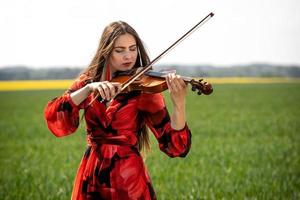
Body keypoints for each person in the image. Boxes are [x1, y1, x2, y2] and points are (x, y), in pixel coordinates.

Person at [44, 21, 191, 200]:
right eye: (119, 50)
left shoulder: (143, 89)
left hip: (128, 179)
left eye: (132, 48)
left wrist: (179, 104)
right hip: (91, 177)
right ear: (106, 52)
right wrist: (88, 89)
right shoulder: (87, 82)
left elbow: (176, 147)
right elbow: (57, 121)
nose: (128, 56)